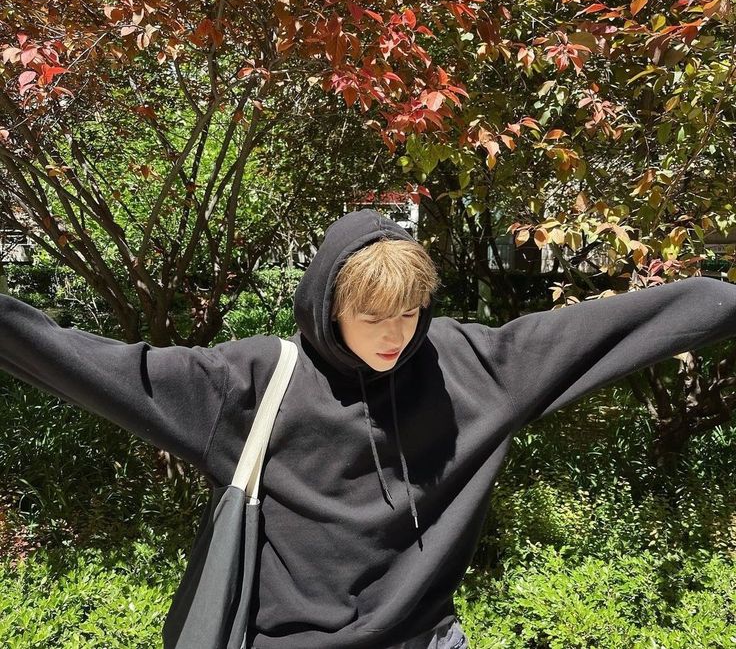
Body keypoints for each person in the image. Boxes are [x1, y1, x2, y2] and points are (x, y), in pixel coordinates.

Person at [1, 207, 735, 649]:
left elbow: (610, 327)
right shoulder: (254, 382)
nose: (394, 334)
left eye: (408, 313)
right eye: (372, 316)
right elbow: (101, 366)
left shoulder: (468, 366)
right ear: (328, 305)